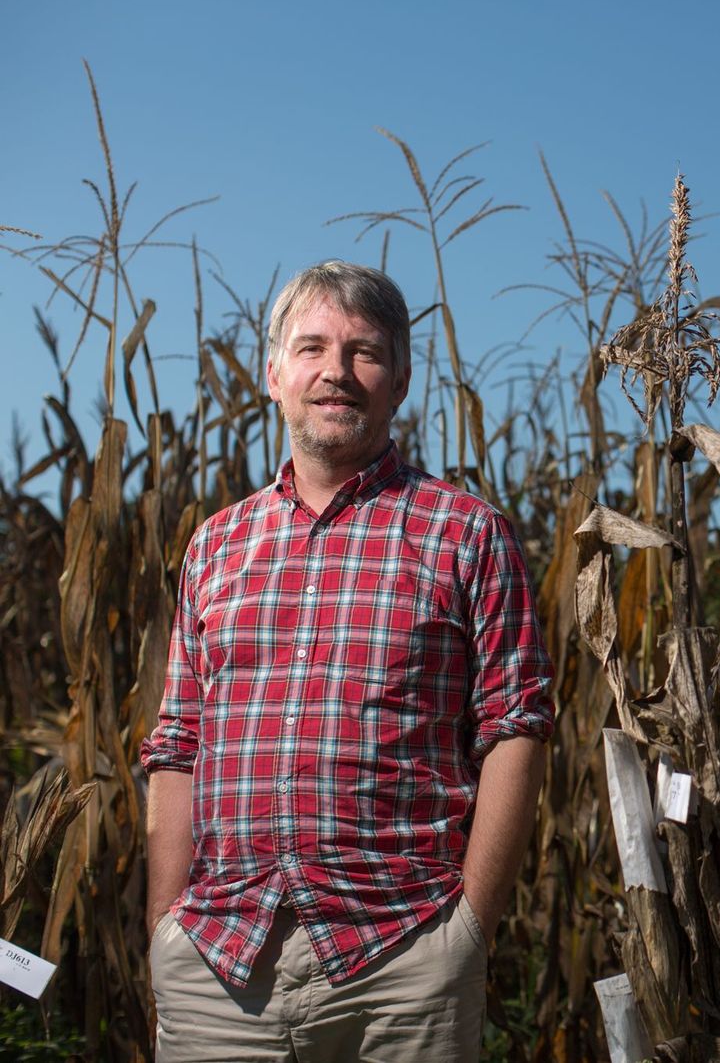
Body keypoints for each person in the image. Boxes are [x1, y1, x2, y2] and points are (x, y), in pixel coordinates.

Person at [140, 261, 553, 1062]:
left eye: (364, 351)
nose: (335, 371)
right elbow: (177, 744)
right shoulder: (216, 546)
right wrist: (166, 923)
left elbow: (517, 727)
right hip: (220, 960)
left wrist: (469, 927)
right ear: (274, 374)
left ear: (399, 379)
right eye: (311, 348)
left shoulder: (465, 533)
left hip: (403, 960)